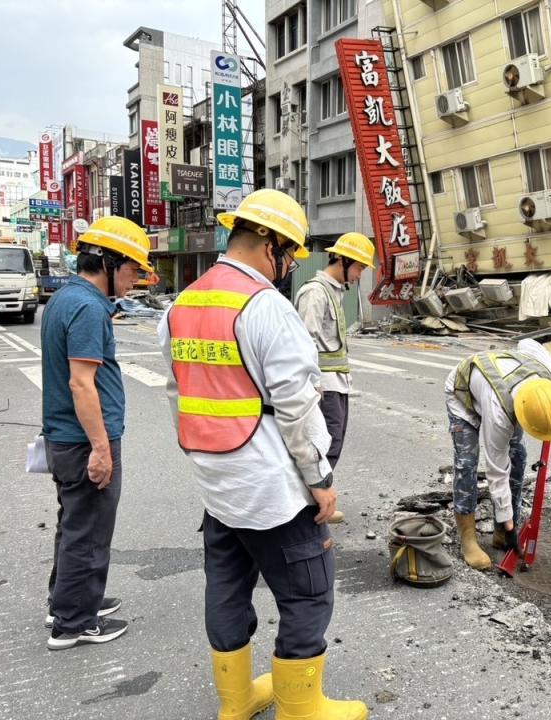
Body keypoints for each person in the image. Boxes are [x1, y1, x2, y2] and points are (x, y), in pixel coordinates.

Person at [158, 189, 366, 720]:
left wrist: (206, 456)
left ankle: (235, 702)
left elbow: (177, 393)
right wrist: (320, 480)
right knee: (309, 591)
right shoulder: (265, 307)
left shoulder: (183, 303)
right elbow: (297, 408)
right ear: (269, 242)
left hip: (217, 484)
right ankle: (301, 708)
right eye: (290, 251)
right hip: (272, 488)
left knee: (227, 588)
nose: (292, 263)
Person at [40, 216, 151, 650]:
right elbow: (81, 383)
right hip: (84, 439)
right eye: (131, 269)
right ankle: (73, 623)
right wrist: (102, 448)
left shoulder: (66, 298)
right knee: (89, 530)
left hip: (66, 437)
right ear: (106, 261)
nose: (134, 280)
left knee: (75, 526)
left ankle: (67, 601)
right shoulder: (87, 307)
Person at [444, 339, 551, 570]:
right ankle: (469, 540)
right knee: (467, 463)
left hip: (512, 391)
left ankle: (501, 532)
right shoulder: (499, 414)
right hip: (463, 394)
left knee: (519, 456)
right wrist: (512, 525)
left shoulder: (547, 374)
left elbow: (527, 342)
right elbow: (496, 471)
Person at [294, 233, 375, 524]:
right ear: (342, 260)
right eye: (360, 267)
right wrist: (311, 389)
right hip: (323, 385)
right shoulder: (316, 292)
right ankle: (310, 504)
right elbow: (305, 343)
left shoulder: (335, 290)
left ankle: (316, 499)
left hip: (336, 382)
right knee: (324, 443)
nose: (360, 274)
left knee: (332, 442)